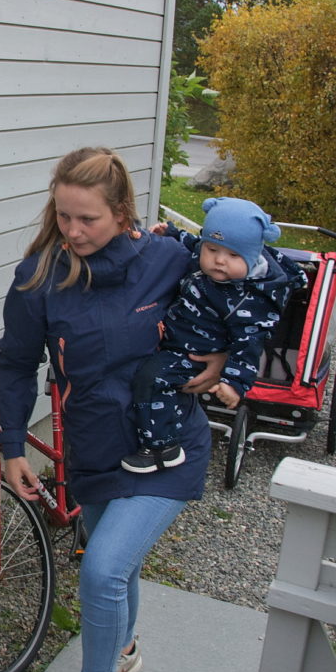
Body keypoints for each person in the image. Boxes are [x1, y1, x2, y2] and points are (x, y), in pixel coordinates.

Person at [0, 147, 224, 672]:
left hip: (167, 447)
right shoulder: (40, 279)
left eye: (87, 220)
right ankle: (122, 654)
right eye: (63, 216)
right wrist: (10, 445)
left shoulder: (169, 258)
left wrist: (226, 359)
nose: (72, 231)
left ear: (123, 214)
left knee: (101, 570)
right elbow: (16, 364)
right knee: (117, 572)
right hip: (93, 452)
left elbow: (244, 296)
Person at [123, 196, 307, 473]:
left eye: (233, 256)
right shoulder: (208, 256)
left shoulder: (249, 300)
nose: (219, 261)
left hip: (194, 353)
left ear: (252, 256)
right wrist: (173, 233)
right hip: (176, 339)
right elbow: (195, 245)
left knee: (152, 379)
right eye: (213, 249)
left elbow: (249, 344)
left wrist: (234, 382)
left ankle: (162, 447)